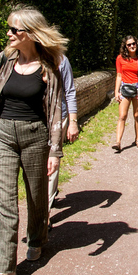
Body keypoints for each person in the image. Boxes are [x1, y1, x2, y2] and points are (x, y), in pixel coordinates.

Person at [0, 7, 66, 275]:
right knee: (5, 202)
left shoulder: (48, 67)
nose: (9, 34)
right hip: (4, 135)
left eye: (14, 30)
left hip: (36, 136)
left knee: (36, 196)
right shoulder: (5, 59)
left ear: (31, 34)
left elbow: (56, 110)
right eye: (9, 28)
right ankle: (4, 268)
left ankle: (36, 239)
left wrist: (54, 151)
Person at [48, 54, 78, 218]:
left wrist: (73, 122)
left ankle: (44, 214)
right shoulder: (21, 56)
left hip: (58, 117)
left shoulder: (60, 59)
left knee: (51, 161)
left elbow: (69, 90)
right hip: (32, 120)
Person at [113, 35, 138, 151]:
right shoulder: (120, 58)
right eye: (129, 44)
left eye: (133, 44)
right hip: (125, 87)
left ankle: (137, 139)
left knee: (137, 115)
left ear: (136, 45)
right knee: (122, 115)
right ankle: (118, 142)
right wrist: (116, 91)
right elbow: (119, 75)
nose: (132, 46)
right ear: (125, 46)